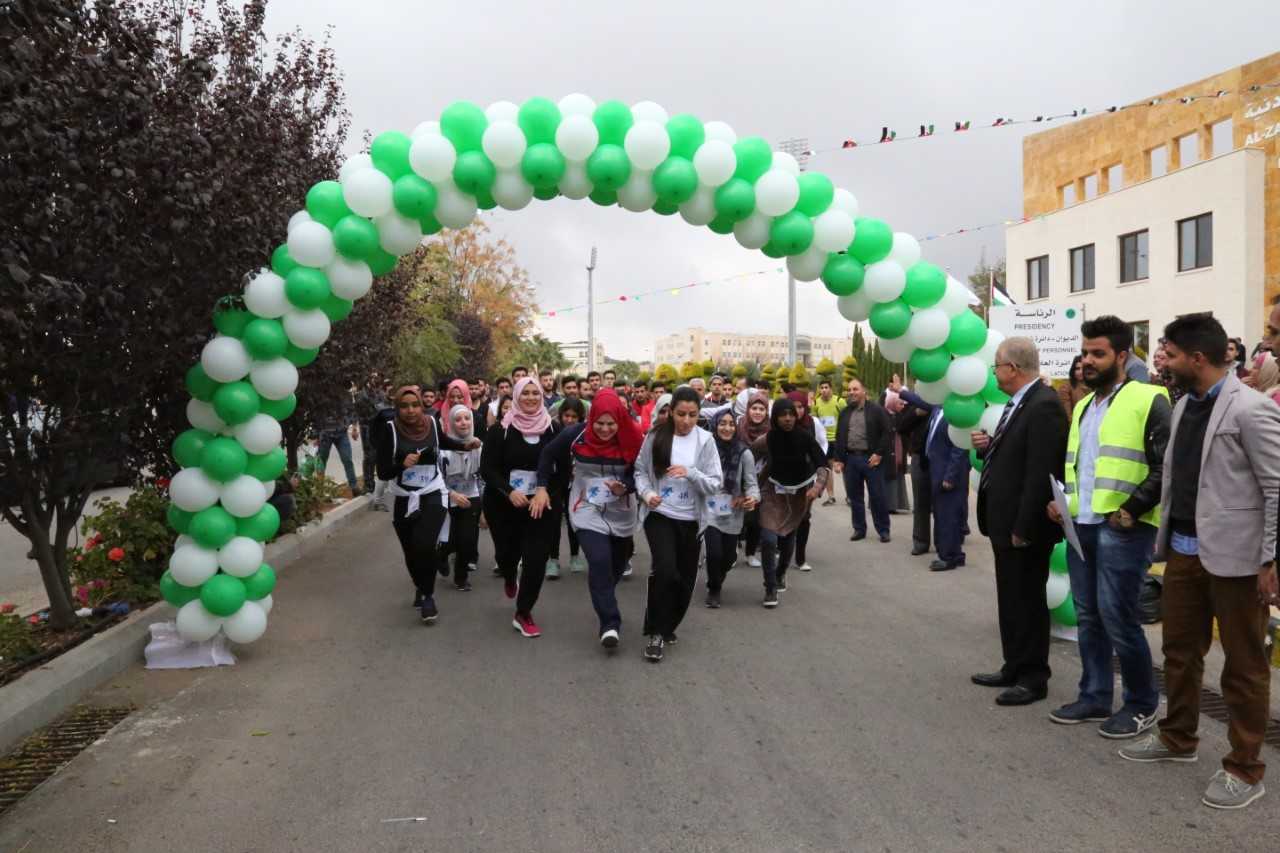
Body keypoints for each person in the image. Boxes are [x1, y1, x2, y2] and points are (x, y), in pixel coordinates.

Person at [1118, 314, 1280, 810]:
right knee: (1179, 653)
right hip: (1184, 555)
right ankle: (1177, 738)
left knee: (1245, 666)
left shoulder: (1250, 410)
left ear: (1199, 359)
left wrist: (1271, 557)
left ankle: (1245, 768)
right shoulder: (1185, 404)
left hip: (1236, 560)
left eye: (1169, 353)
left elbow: (1276, 487)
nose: (1161, 361)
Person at [1045, 316, 1171, 735]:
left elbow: (1164, 467)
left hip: (1124, 528)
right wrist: (1063, 503)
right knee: (1088, 616)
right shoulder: (1083, 405)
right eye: (1084, 353)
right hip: (1081, 525)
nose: (1087, 361)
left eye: (1097, 353)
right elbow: (1081, 468)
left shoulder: (1149, 397)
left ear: (1122, 355)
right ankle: (1095, 696)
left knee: (1118, 617)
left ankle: (1141, 702)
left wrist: (1132, 509)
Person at [970, 337, 1068, 706]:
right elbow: (1018, 454)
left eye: (996, 365)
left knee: (1027, 600)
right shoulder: (1021, 403)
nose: (993, 371)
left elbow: (1040, 471)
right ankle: (1013, 665)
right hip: (1004, 521)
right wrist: (989, 446)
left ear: (1013, 369)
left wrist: (1024, 528)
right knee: (1011, 598)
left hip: (1022, 528)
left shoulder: (1043, 405)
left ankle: (1033, 676)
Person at [531, 389, 643, 649]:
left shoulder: (635, 436)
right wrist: (541, 487)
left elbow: (642, 472)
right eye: (599, 424)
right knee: (599, 559)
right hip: (586, 507)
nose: (605, 429)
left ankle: (603, 590)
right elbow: (547, 455)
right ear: (591, 419)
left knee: (615, 566)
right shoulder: (575, 434)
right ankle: (610, 624)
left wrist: (626, 486)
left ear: (620, 419)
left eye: (611, 424)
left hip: (621, 509)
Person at [377, 386, 481, 623]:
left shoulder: (432, 424)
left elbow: (444, 442)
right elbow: (382, 472)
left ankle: (428, 595)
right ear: (397, 408)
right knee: (411, 551)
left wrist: (466, 446)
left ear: (421, 406)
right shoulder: (390, 430)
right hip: (404, 496)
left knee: (424, 545)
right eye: (404, 406)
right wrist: (402, 464)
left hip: (432, 491)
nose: (411, 410)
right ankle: (420, 584)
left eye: (415, 405)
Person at [634, 387, 723, 662]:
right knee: (665, 569)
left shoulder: (705, 441)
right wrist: (647, 494)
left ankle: (668, 625)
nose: (686, 420)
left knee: (684, 582)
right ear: (671, 411)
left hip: (691, 521)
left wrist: (692, 473)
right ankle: (656, 634)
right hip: (661, 515)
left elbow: (715, 482)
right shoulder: (655, 436)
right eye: (681, 414)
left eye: (692, 415)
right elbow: (640, 471)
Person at [480, 377, 560, 638]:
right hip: (504, 505)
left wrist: (544, 489)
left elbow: (564, 470)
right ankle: (508, 573)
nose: (530, 398)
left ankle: (523, 612)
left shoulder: (552, 429)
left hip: (540, 505)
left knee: (536, 560)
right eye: (524, 393)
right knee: (507, 554)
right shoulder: (500, 431)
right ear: (515, 396)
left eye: (534, 393)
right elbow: (488, 469)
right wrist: (509, 490)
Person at [749, 398, 828, 607]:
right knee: (768, 539)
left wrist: (817, 488)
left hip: (799, 494)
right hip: (771, 492)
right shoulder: (767, 439)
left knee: (787, 539)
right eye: (782, 415)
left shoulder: (805, 438)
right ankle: (770, 587)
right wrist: (750, 484)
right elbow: (749, 457)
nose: (787, 418)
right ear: (774, 417)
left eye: (791, 414)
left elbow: (823, 464)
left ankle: (781, 571)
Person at [895, 380, 970, 572]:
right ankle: (955, 554)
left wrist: (950, 477)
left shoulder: (957, 414)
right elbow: (919, 400)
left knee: (947, 517)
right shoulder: (937, 407)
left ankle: (948, 557)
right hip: (935, 469)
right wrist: (901, 391)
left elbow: (959, 448)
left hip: (947, 474)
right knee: (944, 515)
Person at [703, 409, 760, 608]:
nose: (726, 428)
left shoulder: (744, 453)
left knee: (728, 557)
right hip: (709, 509)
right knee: (714, 553)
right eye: (722, 423)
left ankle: (717, 578)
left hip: (732, 513)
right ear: (715, 425)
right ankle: (714, 589)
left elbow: (751, 482)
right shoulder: (706, 450)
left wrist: (750, 497)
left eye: (731, 424)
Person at [833, 379, 892, 543]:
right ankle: (859, 529)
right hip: (851, 460)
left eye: (855, 389)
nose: (851, 392)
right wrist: (838, 459)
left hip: (871, 459)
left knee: (877, 496)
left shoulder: (876, 410)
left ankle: (883, 530)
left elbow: (887, 433)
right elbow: (839, 436)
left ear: (863, 391)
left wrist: (879, 454)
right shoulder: (845, 412)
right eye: (849, 389)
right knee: (855, 497)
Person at [440, 404, 485, 591]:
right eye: (458, 419)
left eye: (467, 418)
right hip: (446, 496)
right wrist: (451, 494)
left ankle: (461, 577)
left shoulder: (478, 446)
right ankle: (441, 555)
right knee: (449, 541)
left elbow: (482, 478)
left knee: (466, 540)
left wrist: (484, 509)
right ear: (451, 423)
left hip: (471, 495)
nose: (463, 423)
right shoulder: (444, 449)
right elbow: (437, 479)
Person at [546, 398, 587, 577]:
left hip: (576, 483)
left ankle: (575, 556)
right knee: (554, 521)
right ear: (560, 415)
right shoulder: (553, 432)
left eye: (574, 417)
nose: (569, 420)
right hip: (555, 483)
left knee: (574, 520)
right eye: (566, 415)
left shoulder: (584, 433)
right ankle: (553, 559)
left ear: (581, 417)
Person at [786, 390, 825, 572]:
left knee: (804, 517)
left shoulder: (813, 424)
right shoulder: (781, 425)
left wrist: (819, 475)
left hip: (808, 477)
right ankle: (783, 551)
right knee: (785, 514)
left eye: (800, 407)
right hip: (784, 478)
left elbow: (822, 447)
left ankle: (800, 557)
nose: (797, 411)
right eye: (793, 407)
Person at [894, 388, 932, 556]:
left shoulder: (945, 399)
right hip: (918, 457)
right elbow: (901, 427)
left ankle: (945, 541)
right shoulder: (916, 402)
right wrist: (916, 413)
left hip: (940, 459)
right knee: (920, 502)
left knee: (943, 503)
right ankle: (920, 541)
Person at [736, 391, 771, 568]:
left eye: (762, 409)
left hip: (762, 478)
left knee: (756, 519)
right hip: (738, 477)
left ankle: (750, 553)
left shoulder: (771, 430)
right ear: (748, 409)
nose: (757, 412)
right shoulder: (739, 426)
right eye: (754, 408)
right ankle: (733, 547)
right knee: (737, 514)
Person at [316, 395, 359, 496]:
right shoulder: (322, 393)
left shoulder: (344, 394)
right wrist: (315, 435)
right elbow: (316, 414)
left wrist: (354, 428)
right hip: (325, 433)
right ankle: (319, 491)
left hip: (342, 433)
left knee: (347, 459)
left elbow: (352, 411)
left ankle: (354, 487)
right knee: (321, 462)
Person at [812, 379, 846, 506]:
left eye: (826, 387)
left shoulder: (839, 401)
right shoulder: (816, 403)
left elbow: (846, 419)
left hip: (838, 440)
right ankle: (831, 496)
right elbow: (814, 421)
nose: (824, 390)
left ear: (831, 389)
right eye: (822, 388)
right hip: (824, 441)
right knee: (828, 469)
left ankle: (849, 496)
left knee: (842, 468)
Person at [354, 374, 389, 496]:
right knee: (369, 456)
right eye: (372, 377)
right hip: (367, 427)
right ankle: (368, 485)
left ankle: (382, 482)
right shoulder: (361, 395)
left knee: (381, 455)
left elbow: (385, 409)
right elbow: (358, 413)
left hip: (379, 427)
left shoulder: (381, 394)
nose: (375, 379)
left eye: (376, 377)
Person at [880, 390, 912, 516]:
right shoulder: (883, 415)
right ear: (892, 403)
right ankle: (885, 504)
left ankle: (896, 504)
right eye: (900, 404)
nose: (903, 406)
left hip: (899, 452)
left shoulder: (900, 416)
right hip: (887, 453)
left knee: (897, 476)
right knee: (887, 478)